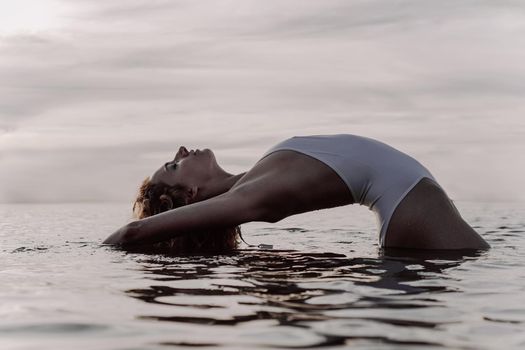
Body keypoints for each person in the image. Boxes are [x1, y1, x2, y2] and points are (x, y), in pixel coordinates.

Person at [103, 134, 490, 250]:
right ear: (189, 193)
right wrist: (100, 248)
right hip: (411, 208)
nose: (182, 151)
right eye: (174, 164)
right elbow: (133, 233)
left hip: (409, 207)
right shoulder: (253, 195)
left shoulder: (252, 182)